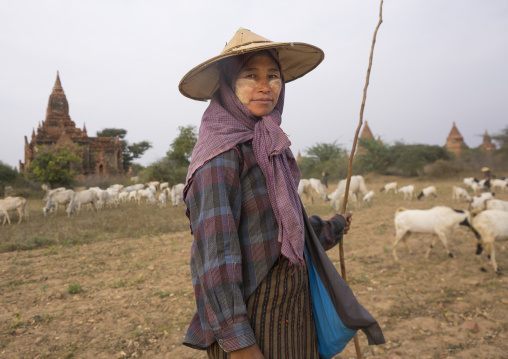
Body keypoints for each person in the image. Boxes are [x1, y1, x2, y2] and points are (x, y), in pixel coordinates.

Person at [179, 29, 353, 359]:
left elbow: (287, 227)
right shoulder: (220, 158)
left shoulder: (270, 146)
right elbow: (215, 257)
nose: (265, 86)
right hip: (252, 317)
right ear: (228, 86)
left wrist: (334, 225)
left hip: (292, 309)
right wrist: (240, 345)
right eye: (250, 76)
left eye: (273, 76)